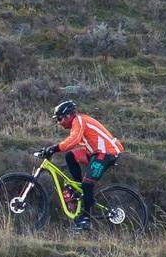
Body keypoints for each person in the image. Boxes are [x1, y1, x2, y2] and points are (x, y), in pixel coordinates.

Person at [35, 99, 123, 232]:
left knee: (88, 184)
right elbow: (76, 145)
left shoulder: (79, 120)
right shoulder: (78, 122)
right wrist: (52, 149)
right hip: (95, 152)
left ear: (68, 116)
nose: (59, 122)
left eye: (59, 119)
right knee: (70, 156)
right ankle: (79, 188)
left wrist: (54, 148)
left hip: (106, 153)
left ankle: (86, 219)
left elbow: (73, 140)